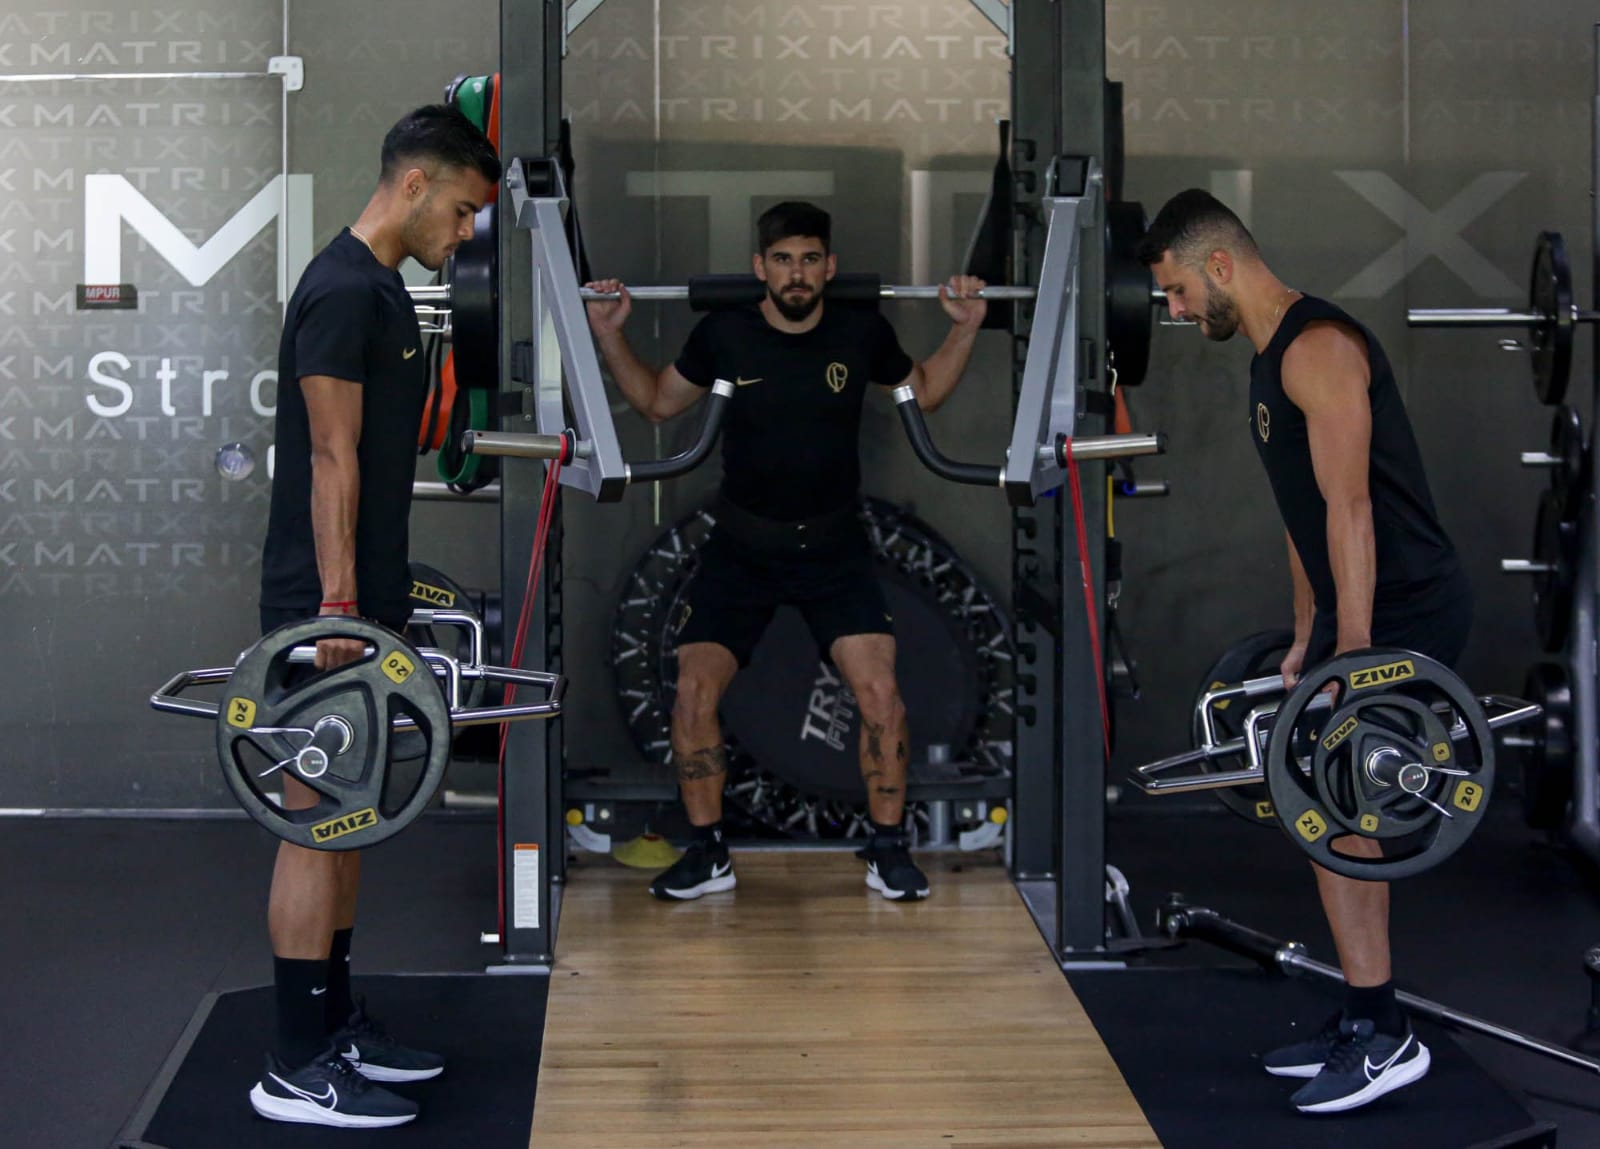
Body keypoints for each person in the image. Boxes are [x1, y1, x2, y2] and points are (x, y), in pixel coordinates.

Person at [1138, 189, 1472, 1115]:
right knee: (1322, 815)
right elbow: (1305, 516)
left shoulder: (1318, 348)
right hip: (1353, 610)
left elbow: (1353, 505)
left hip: (1407, 606)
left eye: (1172, 291)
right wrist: (1304, 637)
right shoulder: (1264, 361)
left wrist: (1355, 661)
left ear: (1218, 267)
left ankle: (1385, 1037)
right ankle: (1369, 1016)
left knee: (1341, 806)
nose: (1170, 311)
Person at [585, 202, 988, 902]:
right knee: (692, 694)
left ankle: (887, 848)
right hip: (743, 545)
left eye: (809, 259)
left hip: (833, 546)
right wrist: (608, 335)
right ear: (759, 268)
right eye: (782, 259)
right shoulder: (724, 336)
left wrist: (967, 328)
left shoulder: (860, 331)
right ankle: (709, 852)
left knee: (881, 697)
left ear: (828, 266)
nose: (796, 273)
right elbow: (654, 402)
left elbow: (921, 393)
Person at [251, 105, 499, 1129]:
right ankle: (294, 1064)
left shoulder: (388, 293)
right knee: (317, 822)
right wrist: (340, 606)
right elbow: (330, 457)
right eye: (464, 209)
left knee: (351, 820)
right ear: (414, 184)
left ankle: (336, 1021)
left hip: (368, 598)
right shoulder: (341, 291)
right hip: (326, 606)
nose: (468, 232)